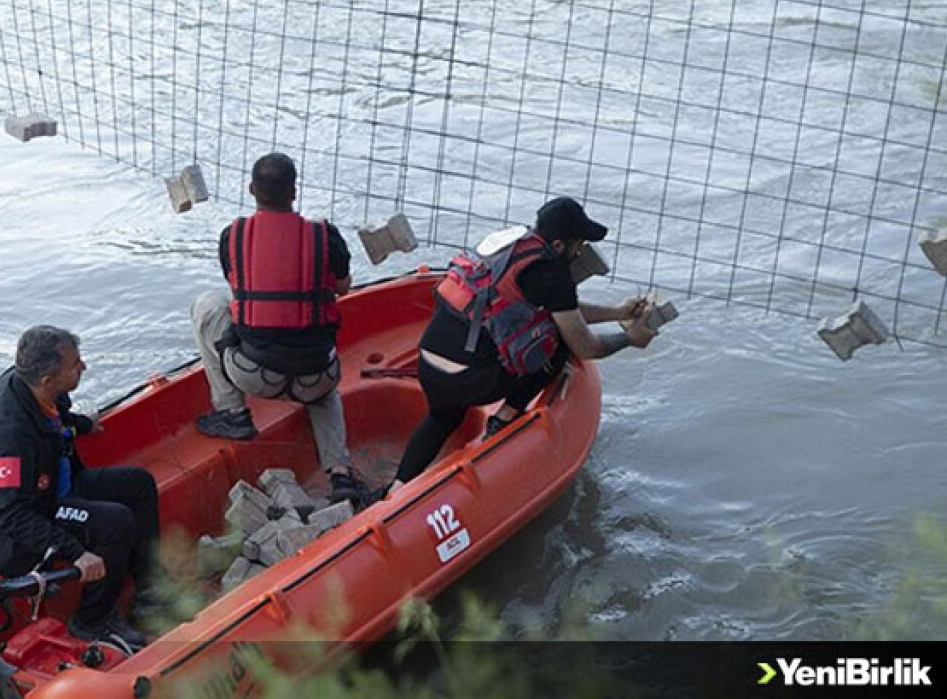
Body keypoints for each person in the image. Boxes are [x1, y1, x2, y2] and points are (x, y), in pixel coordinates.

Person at [386, 196, 657, 493]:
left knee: (441, 418)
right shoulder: (552, 274)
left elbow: (563, 309)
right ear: (558, 246)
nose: (580, 252)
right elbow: (584, 345)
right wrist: (630, 339)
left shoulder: (507, 246)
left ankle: (396, 488)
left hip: (428, 363)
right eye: (578, 246)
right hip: (468, 379)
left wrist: (617, 312)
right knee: (558, 344)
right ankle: (505, 418)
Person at [0, 325, 161, 649]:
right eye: (75, 364)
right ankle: (91, 620)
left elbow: (59, 417)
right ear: (47, 380)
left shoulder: (37, 388)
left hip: (57, 484)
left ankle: (150, 590)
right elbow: (11, 515)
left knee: (138, 483)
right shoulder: (10, 436)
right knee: (115, 522)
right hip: (22, 521)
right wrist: (76, 552)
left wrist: (82, 424)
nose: (83, 366)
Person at [190, 152, 366, 505]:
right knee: (325, 389)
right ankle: (340, 472)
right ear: (294, 191)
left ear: (252, 189)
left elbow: (237, 285)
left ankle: (233, 413)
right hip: (315, 377)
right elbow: (344, 287)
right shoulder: (325, 236)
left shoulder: (233, 237)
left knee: (209, 304)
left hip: (253, 374)